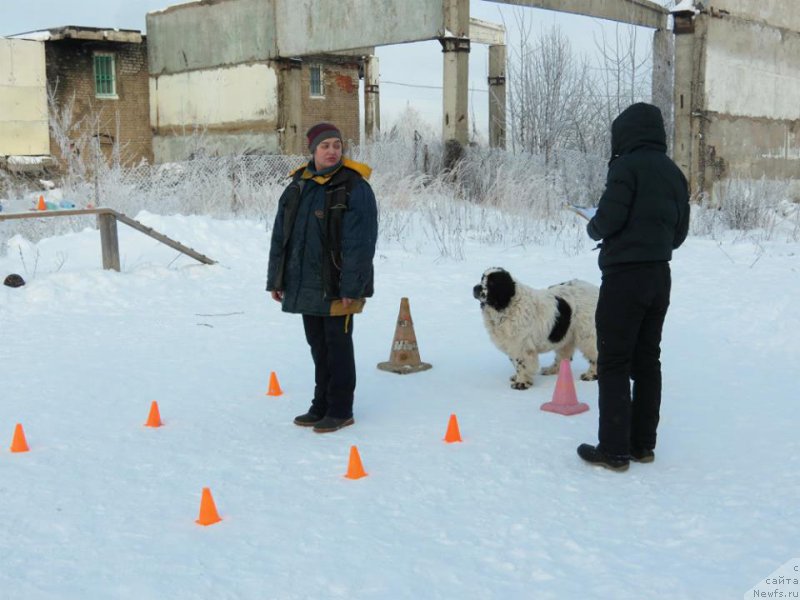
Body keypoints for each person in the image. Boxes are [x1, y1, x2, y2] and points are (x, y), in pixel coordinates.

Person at [577, 103, 690, 472]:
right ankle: (643, 445)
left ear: (625, 134)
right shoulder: (674, 173)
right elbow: (679, 234)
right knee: (647, 360)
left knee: (613, 360)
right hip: (660, 277)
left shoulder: (625, 166)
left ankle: (613, 450)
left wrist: (593, 226)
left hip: (625, 277)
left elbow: (608, 219)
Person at [267, 122, 378, 433]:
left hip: (338, 286)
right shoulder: (298, 186)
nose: (332, 151)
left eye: (337, 145)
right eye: (325, 146)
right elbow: (282, 237)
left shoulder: (355, 186)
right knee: (318, 346)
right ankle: (321, 405)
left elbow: (360, 244)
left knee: (337, 346)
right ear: (312, 150)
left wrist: (351, 288)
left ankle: (341, 409)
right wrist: (277, 279)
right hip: (305, 284)